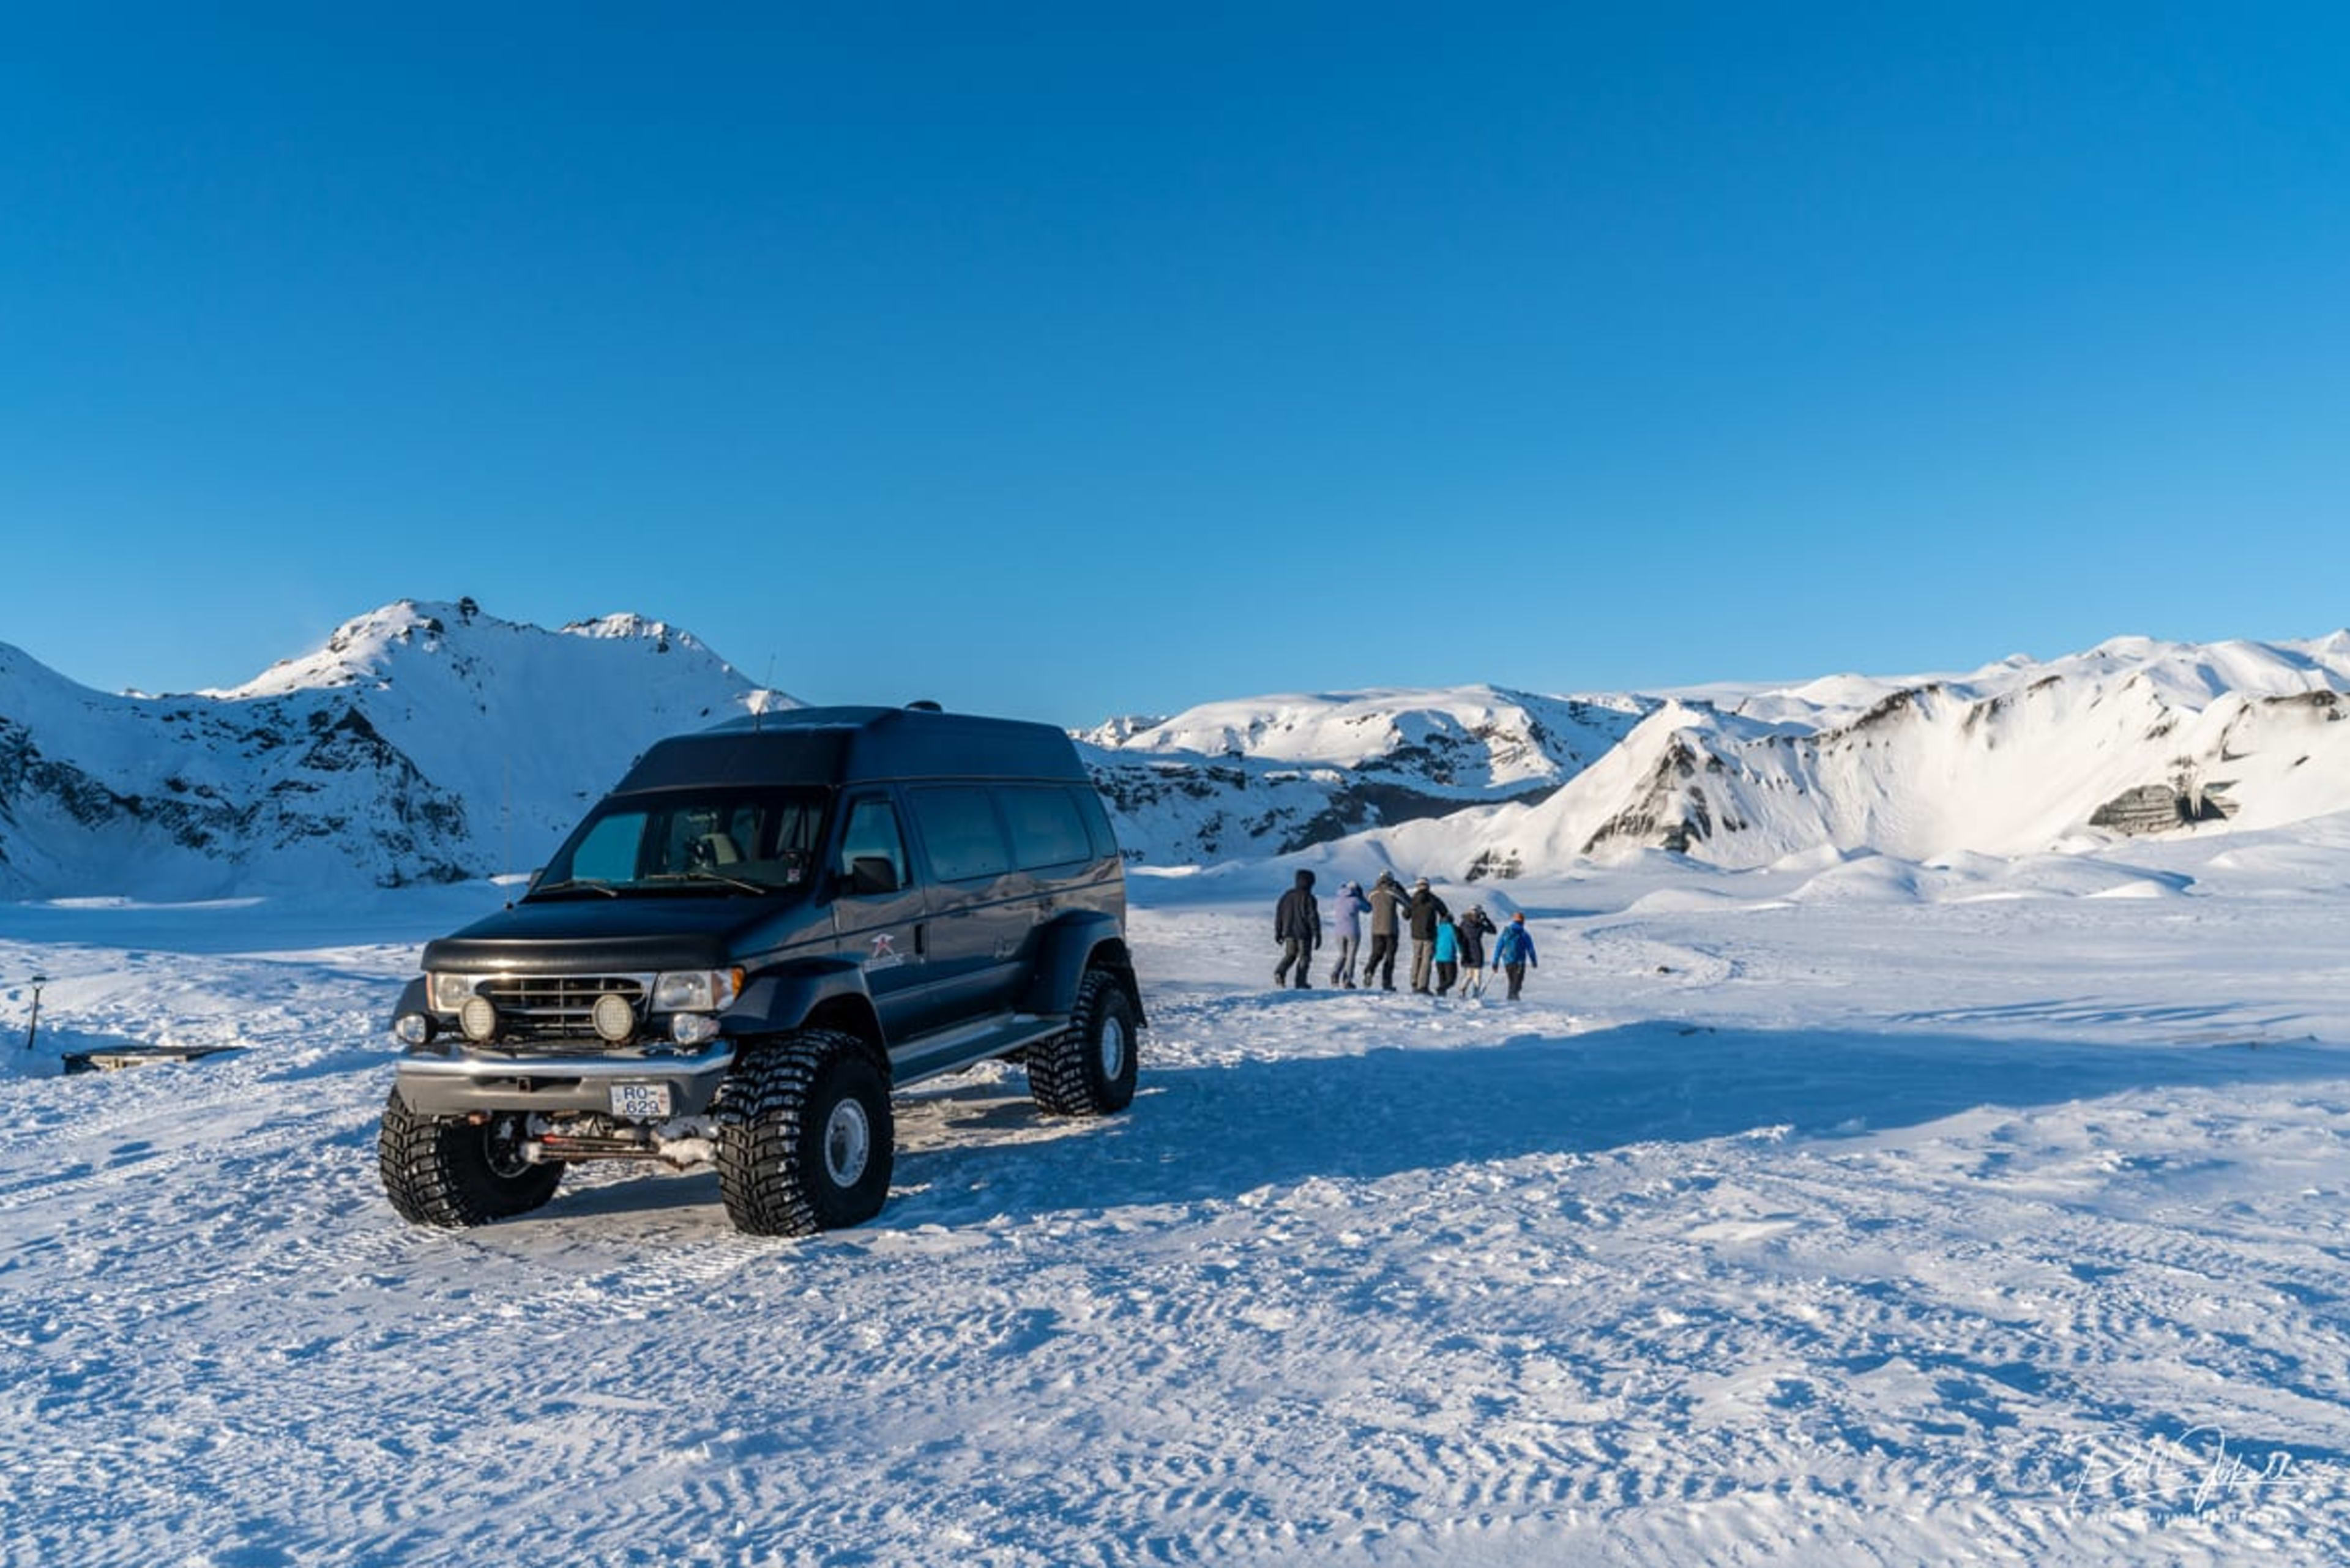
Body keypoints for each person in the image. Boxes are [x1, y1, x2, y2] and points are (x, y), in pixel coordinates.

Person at [1272, 868, 1320, 990]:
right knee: (1304, 957)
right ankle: (1301, 982)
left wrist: (1278, 932)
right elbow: (1312, 917)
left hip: (1288, 933)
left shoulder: (1287, 896)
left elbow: (1279, 915)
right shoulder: (1309, 897)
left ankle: (1280, 972)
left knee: (1290, 955)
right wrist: (1317, 934)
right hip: (1304, 934)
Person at [1363, 870, 1409, 991]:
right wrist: (1401, 889)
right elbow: (1408, 903)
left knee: (1376, 954)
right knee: (1390, 957)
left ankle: (1369, 971)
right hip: (1391, 929)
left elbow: (1367, 906)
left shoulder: (1372, 893)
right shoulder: (1392, 891)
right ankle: (1386, 982)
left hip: (1376, 929)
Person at [1406, 877, 1451, 994]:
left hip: (1415, 933)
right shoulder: (1433, 899)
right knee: (1426, 960)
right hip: (1429, 934)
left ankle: (1414, 982)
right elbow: (1445, 912)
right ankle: (1423, 986)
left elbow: (1406, 915)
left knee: (1416, 957)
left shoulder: (1413, 900)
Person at [1327, 879, 1370, 988]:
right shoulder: (1355, 900)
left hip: (1338, 932)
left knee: (1342, 955)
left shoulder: (1337, 900)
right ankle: (1347, 980)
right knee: (1351, 956)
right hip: (1352, 931)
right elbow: (1368, 909)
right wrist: (1362, 897)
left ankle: (1335, 974)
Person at [1493, 911, 1538, 1000]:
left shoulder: (1506, 932)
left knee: (1512, 981)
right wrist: (1534, 961)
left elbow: (1499, 947)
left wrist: (1495, 962)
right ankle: (1513, 999)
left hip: (1508, 961)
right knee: (1517, 983)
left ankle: (1512, 999)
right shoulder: (1524, 934)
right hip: (1520, 962)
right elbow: (1531, 949)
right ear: (1523, 921)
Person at [1455, 905, 1498, 997]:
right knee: (1476, 974)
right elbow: (1493, 931)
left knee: (1469, 974)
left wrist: (1461, 948)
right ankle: (1475, 993)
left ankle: (1462, 990)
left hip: (1466, 951)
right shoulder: (1480, 925)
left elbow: (1459, 936)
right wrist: (1486, 920)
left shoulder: (1464, 923)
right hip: (1476, 950)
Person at [1433, 914, 1460, 996]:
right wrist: (1461, 952)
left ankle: (1441, 997)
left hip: (1438, 958)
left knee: (1442, 979)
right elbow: (1457, 941)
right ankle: (1440, 989)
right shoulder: (1452, 928)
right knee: (1451, 980)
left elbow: (1434, 942)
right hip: (1449, 958)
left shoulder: (1438, 929)